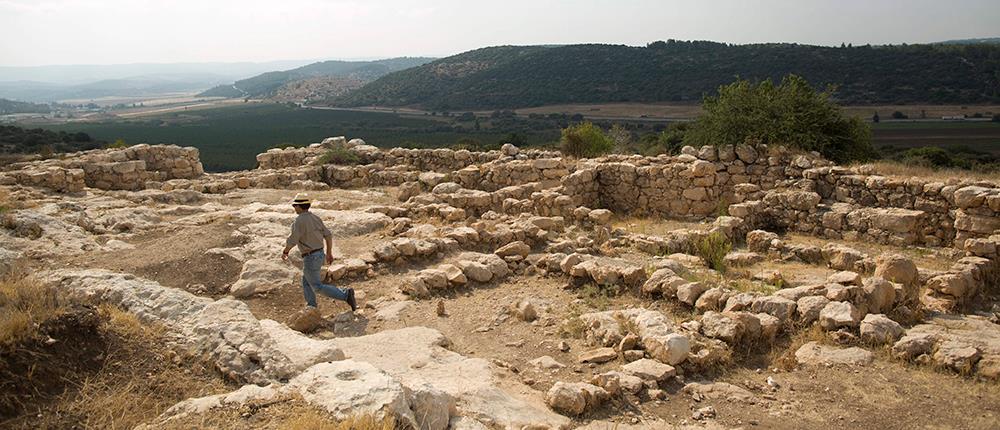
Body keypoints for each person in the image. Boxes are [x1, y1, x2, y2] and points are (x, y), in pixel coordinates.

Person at [281, 193, 356, 311]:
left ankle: (346, 294)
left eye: (295, 205)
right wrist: (329, 252)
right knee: (306, 282)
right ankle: (311, 307)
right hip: (320, 254)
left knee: (316, 286)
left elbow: (293, 239)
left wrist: (286, 251)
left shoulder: (299, 220)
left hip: (310, 257)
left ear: (300, 206)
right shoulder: (316, 218)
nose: (294, 208)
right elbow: (328, 235)